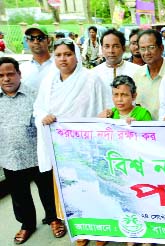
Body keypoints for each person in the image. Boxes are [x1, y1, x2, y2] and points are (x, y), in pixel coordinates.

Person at [33, 38, 107, 246]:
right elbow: (38, 108)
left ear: (76, 55)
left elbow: (106, 106)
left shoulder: (91, 79)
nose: (63, 59)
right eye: (58, 55)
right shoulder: (48, 81)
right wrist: (43, 117)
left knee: (93, 188)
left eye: (68, 54)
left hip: (87, 145)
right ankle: (81, 229)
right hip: (61, 148)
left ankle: (101, 230)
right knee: (71, 191)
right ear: (54, 57)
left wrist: (104, 115)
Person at [0, 57, 66, 244]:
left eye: (10, 74)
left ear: (19, 74)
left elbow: (47, 118)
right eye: (1, 75)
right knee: (19, 195)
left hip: (38, 155)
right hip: (10, 157)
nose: (6, 79)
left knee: (47, 190)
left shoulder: (35, 95)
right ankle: (27, 225)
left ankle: (54, 219)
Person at [133, 29, 165, 120]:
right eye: (143, 48)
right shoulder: (137, 74)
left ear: (161, 48)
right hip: (144, 130)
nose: (147, 53)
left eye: (151, 47)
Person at [92, 28, 140, 108]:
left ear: (123, 48)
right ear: (102, 49)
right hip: (102, 118)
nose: (111, 51)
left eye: (115, 46)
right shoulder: (93, 74)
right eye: (107, 46)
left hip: (131, 118)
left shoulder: (137, 71)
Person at [20, 26, 55, 90]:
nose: (36, 42)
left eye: (40, 38)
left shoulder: (59, 65)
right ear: (27, 41)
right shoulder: (22, 68)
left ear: (48, 41)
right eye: (31, 38)